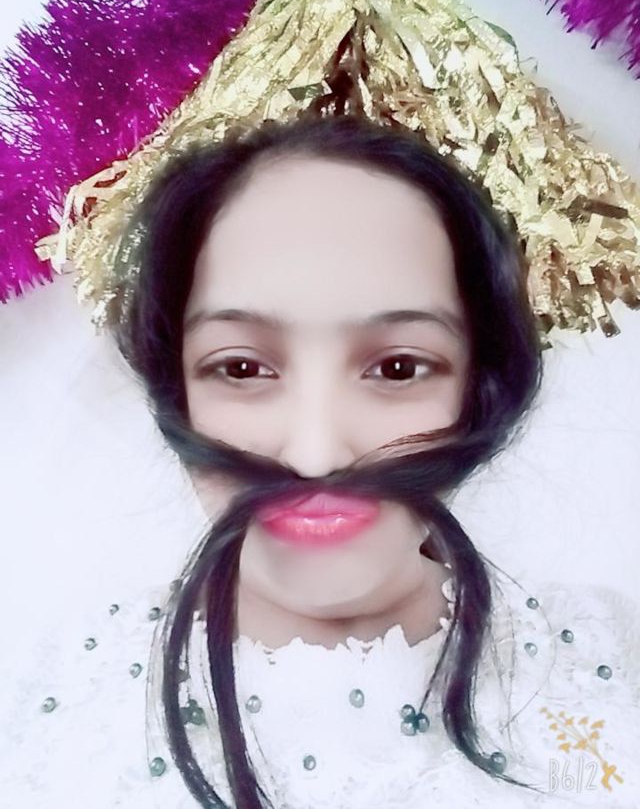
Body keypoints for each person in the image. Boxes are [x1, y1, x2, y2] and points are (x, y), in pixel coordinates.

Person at [2, 114, 639, 809]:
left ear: (480, 390)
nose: (315, 455)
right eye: (242, 367)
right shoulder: (60, 712)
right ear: (174, 389)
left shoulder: (614, 674)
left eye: (398, 368)